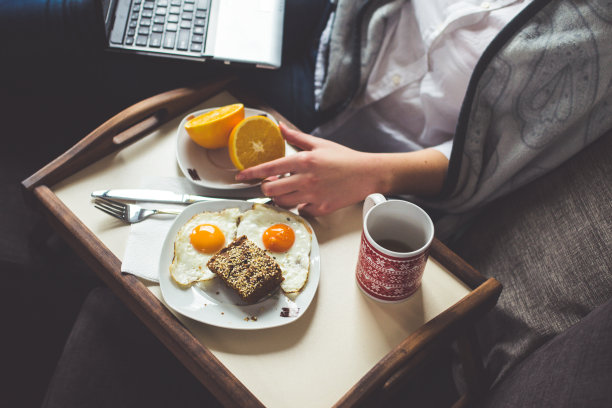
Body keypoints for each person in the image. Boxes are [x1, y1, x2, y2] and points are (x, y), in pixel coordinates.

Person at [236, 0, 534, 217]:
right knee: (203, 27)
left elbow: (495, 150)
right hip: (335, 35)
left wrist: (373, 175)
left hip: (387, 162)